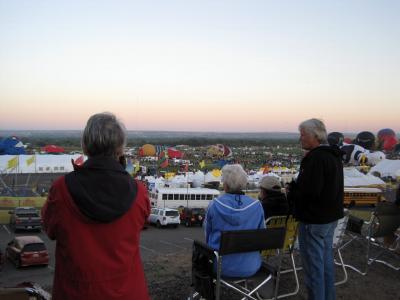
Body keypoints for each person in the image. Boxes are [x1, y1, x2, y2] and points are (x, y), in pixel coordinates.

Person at [42, 112, 150, 300]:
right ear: (121, 148)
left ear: (85, 145)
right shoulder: (139, 193)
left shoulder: (61, 190)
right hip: (129, 292)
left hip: (76, 293)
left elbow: (49, 228)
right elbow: (140, 223)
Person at [287, 118, 344, 300]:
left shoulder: (316, 158)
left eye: (303, 134)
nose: (300, 138)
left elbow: (309, 192)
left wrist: (291, 190)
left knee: (313, 269)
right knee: (325, 264)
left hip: (313, 220)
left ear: (316, 136)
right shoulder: (332, 155)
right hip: (329, 218)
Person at [204, 164, 265, 277]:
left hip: (220, 267)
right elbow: (261, 235)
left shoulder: (214, 205)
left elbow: (207, 236)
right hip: (251, 266)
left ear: (225, 184)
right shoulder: (257, 206)